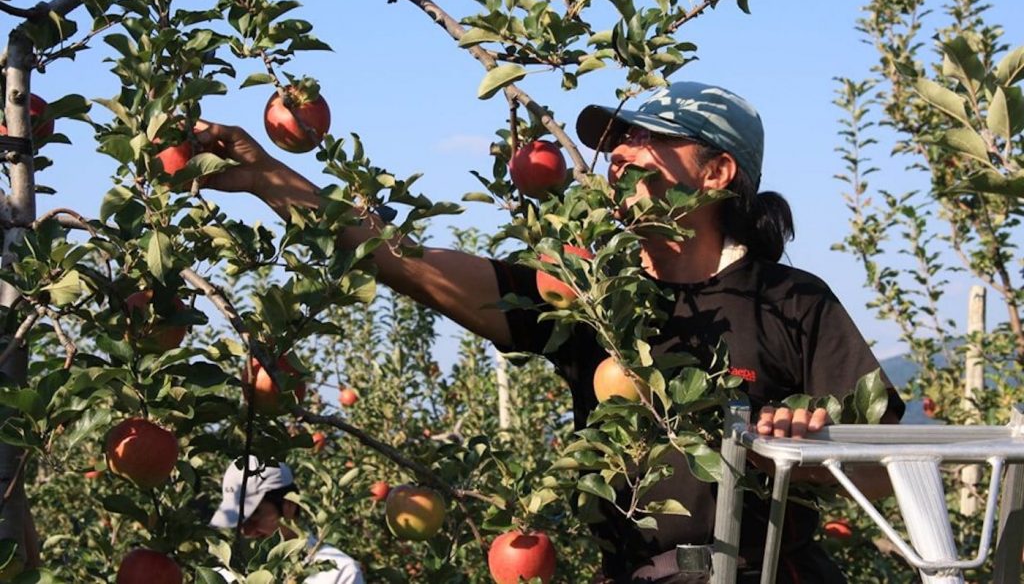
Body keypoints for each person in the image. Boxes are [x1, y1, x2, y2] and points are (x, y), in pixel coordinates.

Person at [195, 80, 904, 583]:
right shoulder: (590, 300)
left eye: (649, 139)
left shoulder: (792, 303)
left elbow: (892, 472)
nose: (619, 153)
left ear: (717, 172)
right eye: (617, 141)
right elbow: (409, 265)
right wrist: (266, 175)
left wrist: (815, 449)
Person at [209, 456, 365, 583]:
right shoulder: (225, 576)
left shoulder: (337, 574)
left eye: (254, 515)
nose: (246, 531)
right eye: (237, 520)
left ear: (289, 505)